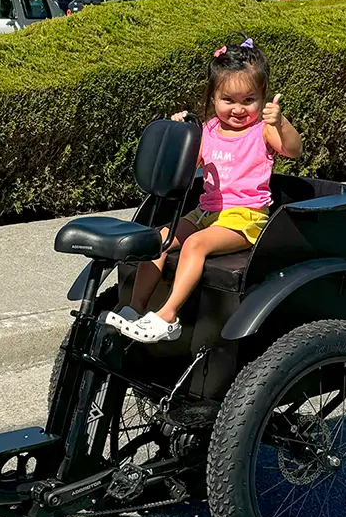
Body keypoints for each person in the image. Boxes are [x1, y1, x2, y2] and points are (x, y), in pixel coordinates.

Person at [108, 37, 303, 343]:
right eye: (228, 100)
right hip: (207, 212)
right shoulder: (209, 130)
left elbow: (293, 150)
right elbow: (187, 163)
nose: (238, 109)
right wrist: (181, 132)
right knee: (159, 239)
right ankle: (135, 307)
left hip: (245, 217)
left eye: (248, 100)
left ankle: (168, 315)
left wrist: (281, 123)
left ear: (263, 98)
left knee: (195, 245)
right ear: (213, 97)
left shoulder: (262, 131)